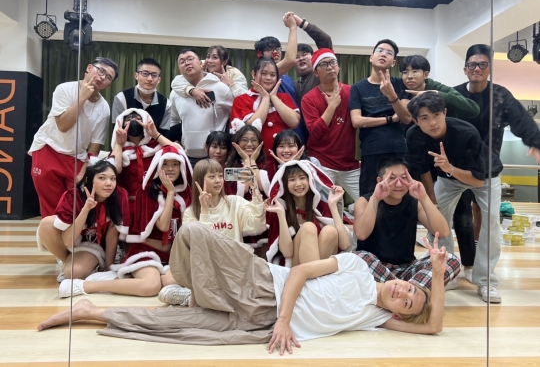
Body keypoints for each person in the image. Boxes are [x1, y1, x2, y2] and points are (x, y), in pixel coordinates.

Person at [37, 223, 449, 350]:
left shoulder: (375, 317)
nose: (404, 294)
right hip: (263, 282)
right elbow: (300, 273)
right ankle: (191, 288)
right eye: (409, 289)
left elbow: (432, 327)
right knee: (194, 233)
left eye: (408, 303)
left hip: (258, 323)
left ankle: (89, 311)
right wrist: (285, 321)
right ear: (399, 280)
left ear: (399, 314)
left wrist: (435, 272)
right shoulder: (357, 266)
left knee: (174, 328)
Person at [454, 44, 540, 287]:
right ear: (465, 69)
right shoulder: (454, 95)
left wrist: (536, 142)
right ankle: (454, 269)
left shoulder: (501, 96)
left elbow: (522, 121)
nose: (477, 69)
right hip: (455, 170)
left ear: (490, 68)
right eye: (472, 64)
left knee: (491, 221)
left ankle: (485, 278)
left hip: (487, 169)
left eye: (482, 64)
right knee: (452, 218)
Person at [57, 145, 193, 299]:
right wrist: (170, 192)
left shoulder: (188, 193)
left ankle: (128, 280)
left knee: (171, 281)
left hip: (171, 254)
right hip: (146, 250)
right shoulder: (148, 192)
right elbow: (163, 226)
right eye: (165, 164)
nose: (170, 169)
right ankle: (84, 285)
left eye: (175, 164)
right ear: (157, 166)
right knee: (151, 286)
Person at [405, 92, 502, 303]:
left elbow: (478, 181)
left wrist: (450, 168)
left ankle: (486, 281)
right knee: (436, 219)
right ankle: (447, 272)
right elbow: (422, 170)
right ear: (416, 121)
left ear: (445, 113)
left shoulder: (466, 132)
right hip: (447, 179)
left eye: (436, 115)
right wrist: (432, 201)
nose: (432, 122)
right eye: (424, 118)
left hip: (484, 176)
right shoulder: (414, 136)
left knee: (492, 220)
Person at [157, 159, 267, 304]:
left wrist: (255, 191)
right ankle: (195, 295)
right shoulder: (190, 213)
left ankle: (194, 296)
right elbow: (202, 247)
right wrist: (204, 211)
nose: (218, 180)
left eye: (220, 176)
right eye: (212, 176)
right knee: (166, 293)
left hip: (235, 269)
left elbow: (257, 227)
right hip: (208, 272)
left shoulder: (235, 202)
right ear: (199, 180)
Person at [29, 57, 118, 218]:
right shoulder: (65, 89)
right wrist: (82, 97)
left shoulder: (104, 108)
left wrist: (84, 171)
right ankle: (52, 235)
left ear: (109, 84)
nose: (102, 77)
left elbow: (96, 144)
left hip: (76, 158)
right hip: (48, 149)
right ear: (89, 68)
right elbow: (63, 126)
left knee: (77, 206)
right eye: (101, 71)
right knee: (52, 209)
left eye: (108, 77)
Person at [354, 157, 460, 289]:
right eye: (392, 179)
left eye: (404, 178)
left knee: (450, 259)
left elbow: (443, 232)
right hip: (375, 267)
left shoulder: (414, 202)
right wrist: (375, 198)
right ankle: (410, 291)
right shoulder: (365, 201)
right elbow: (361, 234)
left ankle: (397, 290)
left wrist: (424, 197)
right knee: (360, 258)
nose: (399, 184)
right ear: (380, 181)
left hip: (406, 269)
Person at [36, 159, 130, 280]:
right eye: (102, 178)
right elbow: (68, 241)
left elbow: (112, 235)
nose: (109, 183)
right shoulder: (73, 196)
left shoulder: (119, 195)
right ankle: (67, 261)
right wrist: (85, 209)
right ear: (89, 179)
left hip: (96, 247)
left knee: (74, 273)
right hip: (72, 242)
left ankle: (87, 267)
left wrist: (108, 269)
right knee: (47, 223)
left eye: (113, 179)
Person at [349, 40, 411, 196]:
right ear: (371, 57)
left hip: (398, 148)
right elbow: (357, 121)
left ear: (393, 62)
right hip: (371, 149)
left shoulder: (400, 84)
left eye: (389, 53)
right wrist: (390, 119)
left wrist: (391, 95)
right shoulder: (358, 88)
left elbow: (406, 117)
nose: (383, 54)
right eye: (379, 50)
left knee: (400, 194)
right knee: (370, 196)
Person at [265, 161, 352, 267]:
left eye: (302, 178)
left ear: (310, 180)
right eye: (292, 180)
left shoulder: (321, 207)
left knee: (330, 231)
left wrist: (333, 205)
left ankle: (315, 275)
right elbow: (287, 253)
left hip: (317, 265)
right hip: (295, 267)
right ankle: (315, 274)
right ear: (284, 184)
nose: (298, 183)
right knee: (308, 227)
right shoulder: (278, 210)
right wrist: (281, 214)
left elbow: (345, 244)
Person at [302, 48, 360, 201]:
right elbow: (315, 132)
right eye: (323, 64)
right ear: (315, 72)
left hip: (349, 164)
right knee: (326, 208)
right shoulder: (309, 99)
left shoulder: (352, 92)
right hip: (322, 163)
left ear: (338, 67)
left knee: (368, 202)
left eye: (332, 62)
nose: (330, 67)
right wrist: (332, 106)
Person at [170, 49, 234, 167]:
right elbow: (174, 120)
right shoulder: (175, 93)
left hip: (216, 158)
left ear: (201, 63)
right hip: (187, 158)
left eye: (190, 59)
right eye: (182, 61)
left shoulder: (221, 89)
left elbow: (236, 116)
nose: (187, 63)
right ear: (179, 69)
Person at [230, 58, 300, 156]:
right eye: (264, 73)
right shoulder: (242, 99)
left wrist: (274, 97)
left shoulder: (284, 97)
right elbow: (252, 127)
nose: (268, 78)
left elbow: (294, 122)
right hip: (256, 158)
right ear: (253, 74)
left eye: (273, 75)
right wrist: (266, 98)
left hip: (284, 157)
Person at [255, 12, 305, 142]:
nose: (276, 52)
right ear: (260, 54)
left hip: (295, 129)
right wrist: (293, 27)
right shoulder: (263, 75)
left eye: (278, 48)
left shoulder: (287, 78)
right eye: (270, 49)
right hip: (277, 134)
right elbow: (290, 59)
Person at [399, 55, 479, 119]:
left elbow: (473, 110)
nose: (409, 76)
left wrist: (437, 94)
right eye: (405, 72)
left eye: (414, 71)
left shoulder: (438, 88)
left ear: (426, 74)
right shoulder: (402, 92)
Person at [111, 58, 171, 138]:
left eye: (154, 75)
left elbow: (164, 134)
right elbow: (117, 131)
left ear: (159, 79)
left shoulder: (166, 103)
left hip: (155, 144)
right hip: (125, 144)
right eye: (145, 74)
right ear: (136, 75)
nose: (149, 79)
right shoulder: (122, 98)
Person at [179, 46, 249, 108]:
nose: (209, 61)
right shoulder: (202, 65)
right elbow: (178, 80)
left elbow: (246, 102)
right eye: (208, 57)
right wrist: (192, 91)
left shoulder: (235, 74)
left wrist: (231, 85)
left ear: (224, 62)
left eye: (215, 57)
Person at [293, 14, 333, 101]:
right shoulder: (293, 85)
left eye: (304, 54)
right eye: (297, 57)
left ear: (313, 57)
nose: (301, 58)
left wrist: (302, 24)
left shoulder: (321, 74)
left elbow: (325, 40)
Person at [226, 125, 271, 197]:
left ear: (260, 143)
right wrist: (247, 160)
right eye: (244, 140)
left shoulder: (269, 163)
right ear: (237, 142)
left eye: (254, 140)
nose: (249, 144)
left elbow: (263, 188)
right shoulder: (229, 166)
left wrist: (252, 161)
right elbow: (244, 189)